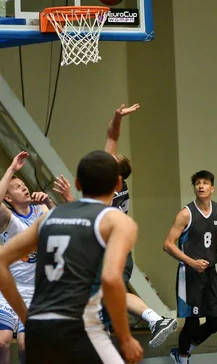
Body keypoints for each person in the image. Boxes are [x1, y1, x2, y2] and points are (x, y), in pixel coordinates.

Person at [0, 150, 144, 364]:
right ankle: (153, 319)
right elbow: (110, 279)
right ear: (118, 184)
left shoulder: (49, 218)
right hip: (78, 323)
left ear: (77, 184)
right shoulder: (118, 222)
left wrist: (25, 316)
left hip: (42, 320)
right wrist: (125, 338)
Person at [53, 103, 177, 347]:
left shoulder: (112, 193)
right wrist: (117, 117)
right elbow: (111, 136)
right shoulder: (107, 187)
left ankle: (155, 320)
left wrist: (68, 197)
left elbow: (89, 217)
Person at [0, 151, 54, 364]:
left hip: (36, 291)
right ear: (8, 197)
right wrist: (11, 169)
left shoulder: (42, 209)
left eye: (24, 185)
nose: (24, 187)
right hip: (11, 288)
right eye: (17, 187)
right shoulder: (8, 218)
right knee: (2, 341)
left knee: (27, 344)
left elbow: (64, 226)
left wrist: (51, 204)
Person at [163, 170, 217, 364]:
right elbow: (167, 244)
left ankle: (184, 349)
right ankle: (182, 358)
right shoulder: (186, 213)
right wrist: (191, 262)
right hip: (190, 273)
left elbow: (215, 229)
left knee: (215, 322)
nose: (201, 186)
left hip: (210, 272)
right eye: (197, 183)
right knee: (192, 321)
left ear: (212, 188)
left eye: (205, 183)